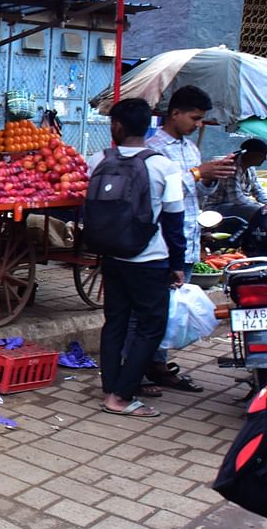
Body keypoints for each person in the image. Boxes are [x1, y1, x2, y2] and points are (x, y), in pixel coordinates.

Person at [88, 98, 187, 418]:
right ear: (149, 125)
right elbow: (174, 220)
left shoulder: (97, 159)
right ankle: (120, 396)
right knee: (150, 327)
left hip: (111, 255)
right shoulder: (163, 166)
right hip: (149, 260)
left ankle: (110, 385)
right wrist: (178, 264)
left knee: (114, 322)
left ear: (116, 125)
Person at [138, 85, 235, 395]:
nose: (198, 124)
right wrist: (196, 172)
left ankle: (159, 364)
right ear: (175, 113)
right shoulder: (153, 147)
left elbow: (196, 195)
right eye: (195, 118)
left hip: (188, 238)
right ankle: (138, 370)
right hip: (161, 243)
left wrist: (207, 177)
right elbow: (158, 189)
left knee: (171, 311)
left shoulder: (192, 149)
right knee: (151, 312)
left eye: (202, 119)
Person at [203, 137, 267, 222]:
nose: (264, 159)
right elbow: (236, 198)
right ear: (251, 154)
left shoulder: (251, 169)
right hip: (216, 209)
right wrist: (259, 207)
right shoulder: (231, 168)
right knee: (255, 210)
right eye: (262, 156)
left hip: (237, 207)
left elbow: (257, 191)